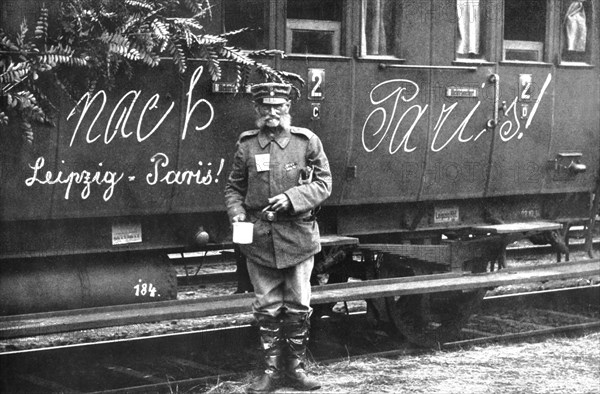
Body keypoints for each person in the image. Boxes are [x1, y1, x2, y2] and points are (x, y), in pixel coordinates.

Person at [224, 82, 332, 393]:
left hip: (297, 237)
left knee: (299, 304)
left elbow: (324, 184)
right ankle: (270, 373)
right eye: (266, 107)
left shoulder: (306, 142)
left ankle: (296, 371)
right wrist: (237, 213)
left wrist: (293, 198)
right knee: (266, 306)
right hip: (259, 239)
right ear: (256, 110)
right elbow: (234, 188)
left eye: (279, 106)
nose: (272, 112)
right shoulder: (246, 145)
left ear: (288, 109)